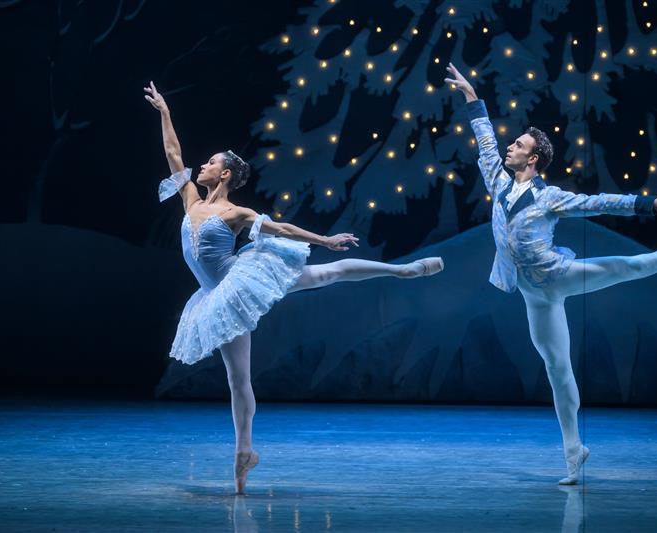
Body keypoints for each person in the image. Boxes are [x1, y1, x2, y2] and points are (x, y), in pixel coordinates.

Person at [443, 63, 657, 485]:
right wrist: (472, 96)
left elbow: (598, 202)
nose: (510, 146)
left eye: (518, 144)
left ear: (533, 158)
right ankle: (574, 453)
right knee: (557, 369)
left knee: (637, 265)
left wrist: (647, 204)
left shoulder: (549, 197)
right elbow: (485, 140)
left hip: (560, 274)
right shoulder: (497, 182)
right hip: (532, 293)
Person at [144, 82, 444, 493]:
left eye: (211, 163)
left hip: (241, 280)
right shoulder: (191, 200)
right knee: (237, 379)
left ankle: (404, 270)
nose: (203, 166)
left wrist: (324, 240)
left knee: (324, 274)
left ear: (225, 174)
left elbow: (282, 228)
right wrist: (165, 112)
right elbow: (173, 154)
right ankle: (244, 453)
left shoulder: (235, 212)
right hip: (216, 298)